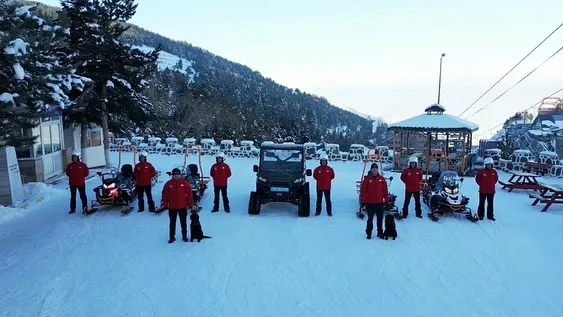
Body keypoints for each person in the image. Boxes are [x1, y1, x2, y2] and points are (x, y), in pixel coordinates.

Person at [161, 168, 196, 243]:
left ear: (180, 175)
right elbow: (164, 195)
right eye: (174, 174)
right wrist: (165, 204)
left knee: (183, 222)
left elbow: (189, 194)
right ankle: (172, 237)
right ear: (172, 175)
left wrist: (190, 204)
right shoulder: (168, 184)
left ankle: (184, 236)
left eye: (177, 174)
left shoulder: (185, 183)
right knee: (172, 222)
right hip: (172, 207)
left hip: (182, 206)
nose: (176, 176)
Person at [360, 163, 388, 239]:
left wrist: (386, 200)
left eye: (376, 168)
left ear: (377, 170)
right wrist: (363, 201)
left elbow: (385, 190)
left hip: (379, 203)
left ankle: (380, 232)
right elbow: (363, 191)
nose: (375, 170)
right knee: (370, 219)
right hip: (370, 203)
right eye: (373, 168)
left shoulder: (381, 179)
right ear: (371, 170)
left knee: (380, 219)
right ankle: (369, 233)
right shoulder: (367, 179)